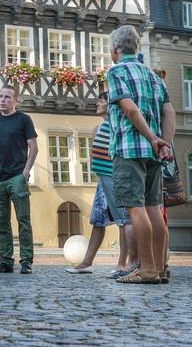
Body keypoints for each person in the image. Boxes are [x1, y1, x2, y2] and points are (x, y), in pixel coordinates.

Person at [106, 25, 175, 284]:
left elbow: (130, 110)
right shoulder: (153, 76)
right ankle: (158, 267)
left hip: (128, 148)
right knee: (154, 208)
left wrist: (151, 138)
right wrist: (164, 143)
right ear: (136, 47)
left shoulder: (116, 72)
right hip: (154, 153)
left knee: (136, 209)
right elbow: (170, 112)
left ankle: (146, 269)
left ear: (115, 50)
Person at [65, 92, 137, 277]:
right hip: (102, 180)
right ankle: (86, 263)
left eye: (101, 100)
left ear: (111, 105)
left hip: (114, 178)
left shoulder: (117, 125)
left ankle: (123, 264)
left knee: (123, 220)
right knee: (98, 222)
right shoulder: (98, 128)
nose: (97, 103)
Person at [0, 85, 38, 274]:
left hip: (17, 177)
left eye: (7, 97)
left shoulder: (23, 120)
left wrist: (26, 171)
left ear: (16, 101)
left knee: (23, 220)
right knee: (2, 221)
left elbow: (34, 147)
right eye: (0, 97)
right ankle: (6, 261)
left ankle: (26, 261)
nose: (2, 100)